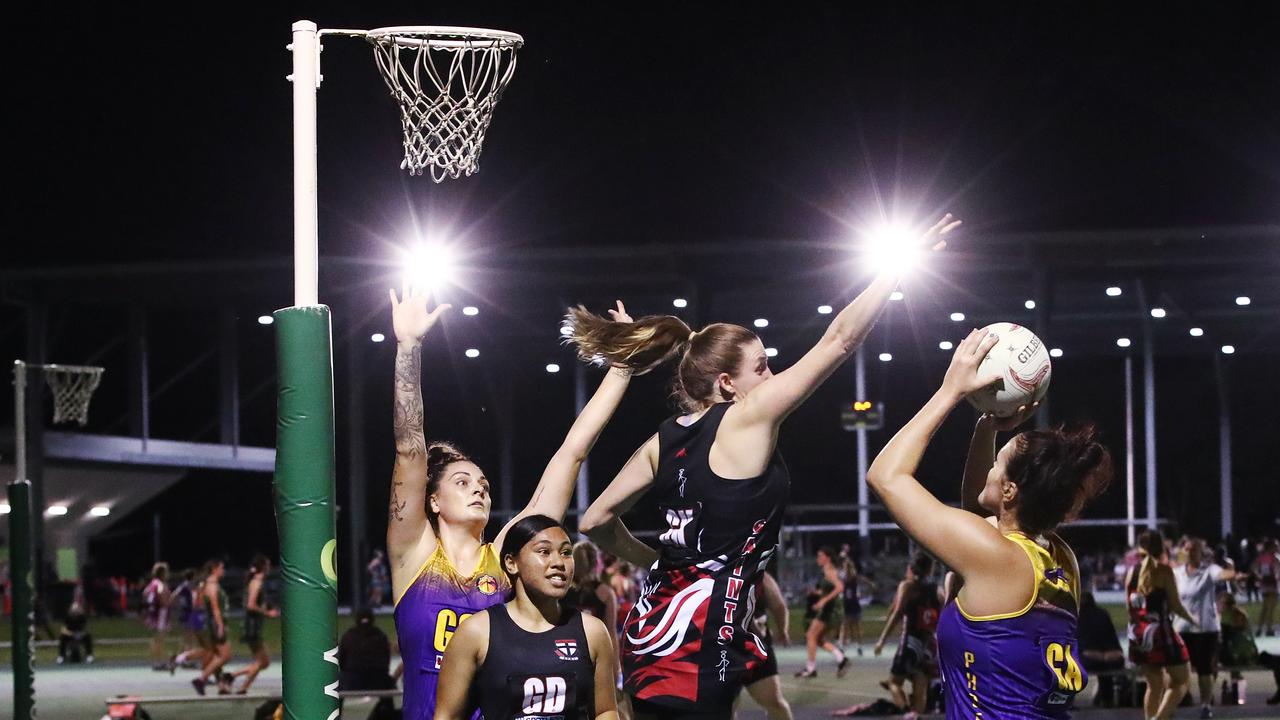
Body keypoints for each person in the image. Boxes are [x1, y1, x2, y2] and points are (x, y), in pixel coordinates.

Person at [578, 215, 962, 718]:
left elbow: (594, 522)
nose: (773, 375)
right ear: (726, 383)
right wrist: (896, 269)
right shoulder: (745, 419)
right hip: (701, 641)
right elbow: (839, 341)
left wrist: (655, 562)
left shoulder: (662, 441)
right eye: (761, 367)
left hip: (652, 635)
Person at [388, 289, 636, 720]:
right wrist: (408, 348)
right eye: (462, 482)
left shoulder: (504, 561)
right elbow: (410, 450)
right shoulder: (412, 556)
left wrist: (620, 370)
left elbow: (570, 454)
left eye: (483, 483)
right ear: (433, 499)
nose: (479, 488)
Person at [866, 327, 1113, 719]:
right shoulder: (1058, 558)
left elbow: (885, 477)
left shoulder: (995, 559)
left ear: (1011, 491)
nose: (989, 469)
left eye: (996, 464)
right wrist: (986, 428)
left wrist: (951, 391)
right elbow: (981, 522)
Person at [435, 515, 619, 720]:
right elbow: (447, 716)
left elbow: (605, 711)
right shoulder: (476, 632)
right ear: (511, 563)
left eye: (566, 552)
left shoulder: (593, 632)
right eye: (544, 551)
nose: (559, 562)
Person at [1127, 530, 1196, 720]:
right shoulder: (1164, 571)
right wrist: (1193, 620)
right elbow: (1175, 605)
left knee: (1154, 685)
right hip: (1161, 633)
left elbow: (1129, 608)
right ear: (1162, 547)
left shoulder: (1132, 572)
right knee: (1182, 680)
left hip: (1139, 633)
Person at [1173, 537, 1246, 717]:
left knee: (1204, 669)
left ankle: (1206, 705)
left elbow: (1224, 575)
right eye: (1187, 549)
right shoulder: (1177, 573)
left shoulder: (1209, 570)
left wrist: (1231, 569)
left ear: (1201, 553)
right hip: (1182, 628)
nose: (1190, 553)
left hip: (1205, 629)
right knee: (1178, 668)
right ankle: (1178, 699)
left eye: (1194, 550)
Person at [872, 553, 941, 715]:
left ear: (912, 568)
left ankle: (908, 713)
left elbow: (897, 613)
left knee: (894, 683)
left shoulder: (908, 586)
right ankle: (917, 712)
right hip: (928, 643)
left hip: (910, 642)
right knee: (920, 681)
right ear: (930, 570)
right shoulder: (936, 590)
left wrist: (882, 640)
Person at [736, 570, 792, 720]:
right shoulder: (755, 571)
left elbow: (779, 606)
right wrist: (782, 631)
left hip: (746, 646)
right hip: (740, 646)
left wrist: (783, 630)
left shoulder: (758, 573)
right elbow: (779, 606)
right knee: (775, 704)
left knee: (774, 703)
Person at [230, 554, 280, 694]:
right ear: (263, 566)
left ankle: (239, 684)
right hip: (251, 625)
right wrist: (266, 612)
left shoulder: (258, 581)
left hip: (254, 624)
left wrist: (267, 608)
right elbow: (250, 605)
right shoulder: (256, 583)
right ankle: (235, 679)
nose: (269, 567)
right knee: (263, 662)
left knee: (262, 662)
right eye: (268, 565)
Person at [795, 546, 848, 678]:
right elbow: (828, 590)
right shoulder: (826, 571)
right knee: (817, 639)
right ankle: (840, 658)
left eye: (820, 556)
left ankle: (810, 669)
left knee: (810, 636)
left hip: (831, 610)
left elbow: (840, 587)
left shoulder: (829, 571)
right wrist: (816, 593)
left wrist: (823, 601)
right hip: (830, 609)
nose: (818, 558)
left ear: (827, 558)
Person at [1075, 591, 1126, 707]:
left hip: (1088, 659)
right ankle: (1106, 698)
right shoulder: (1103, 614)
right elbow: (1113, 640)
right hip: (1111, 658)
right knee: (1106, 669)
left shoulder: (1077, 616)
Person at [192, 559, 233, 695]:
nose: (223, 570)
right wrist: (220, 625)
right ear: (214, 569)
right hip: (215, 623)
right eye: (221, 568)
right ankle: (201, 679)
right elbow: (215, 608)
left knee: (217, 655)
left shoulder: (208, 584)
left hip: (212, 623)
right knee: (225, 655)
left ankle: (221, 686)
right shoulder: (212, 585)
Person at [838, 551, 872, 654]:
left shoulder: (852, 577)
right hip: (848, 604)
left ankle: (858, 646)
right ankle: (844, 646)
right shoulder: (844, 577)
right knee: (846, 626)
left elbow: (863, 579)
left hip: (852, 603)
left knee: (853, 626)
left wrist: (871, 584)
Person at [143, 562, 172, 671]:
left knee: (156, 638)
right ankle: (158, 662)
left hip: (154, 613)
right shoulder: (160, 584)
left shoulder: (152, 583)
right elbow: (162, 597)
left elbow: (145, 593)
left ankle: (156, 660)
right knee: (160, 638)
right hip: (161, 613)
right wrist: (166, 602)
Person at [1252, 538, 1279, 636]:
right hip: (1272, 583)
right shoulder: (1275, 557)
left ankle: (1259, 629)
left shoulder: (1261, 557)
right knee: (1271, 608)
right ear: (1271, 547)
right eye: (1276, 546)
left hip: (1264, 583)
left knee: (1264, 608)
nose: (1277, 547)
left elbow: (1254, 567)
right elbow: (1278, 569)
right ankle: (1269, 629)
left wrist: (1258, 576)